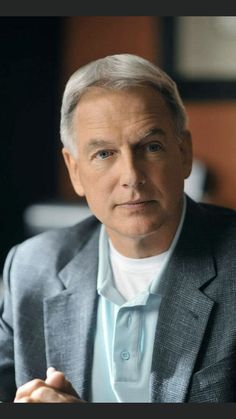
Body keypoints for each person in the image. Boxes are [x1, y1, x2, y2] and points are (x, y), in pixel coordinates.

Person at [0, 53, 236, 403]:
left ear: (184, 152)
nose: (131, 177)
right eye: (104, 154)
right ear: (75, 169)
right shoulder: (30, 267)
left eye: (151, 147)